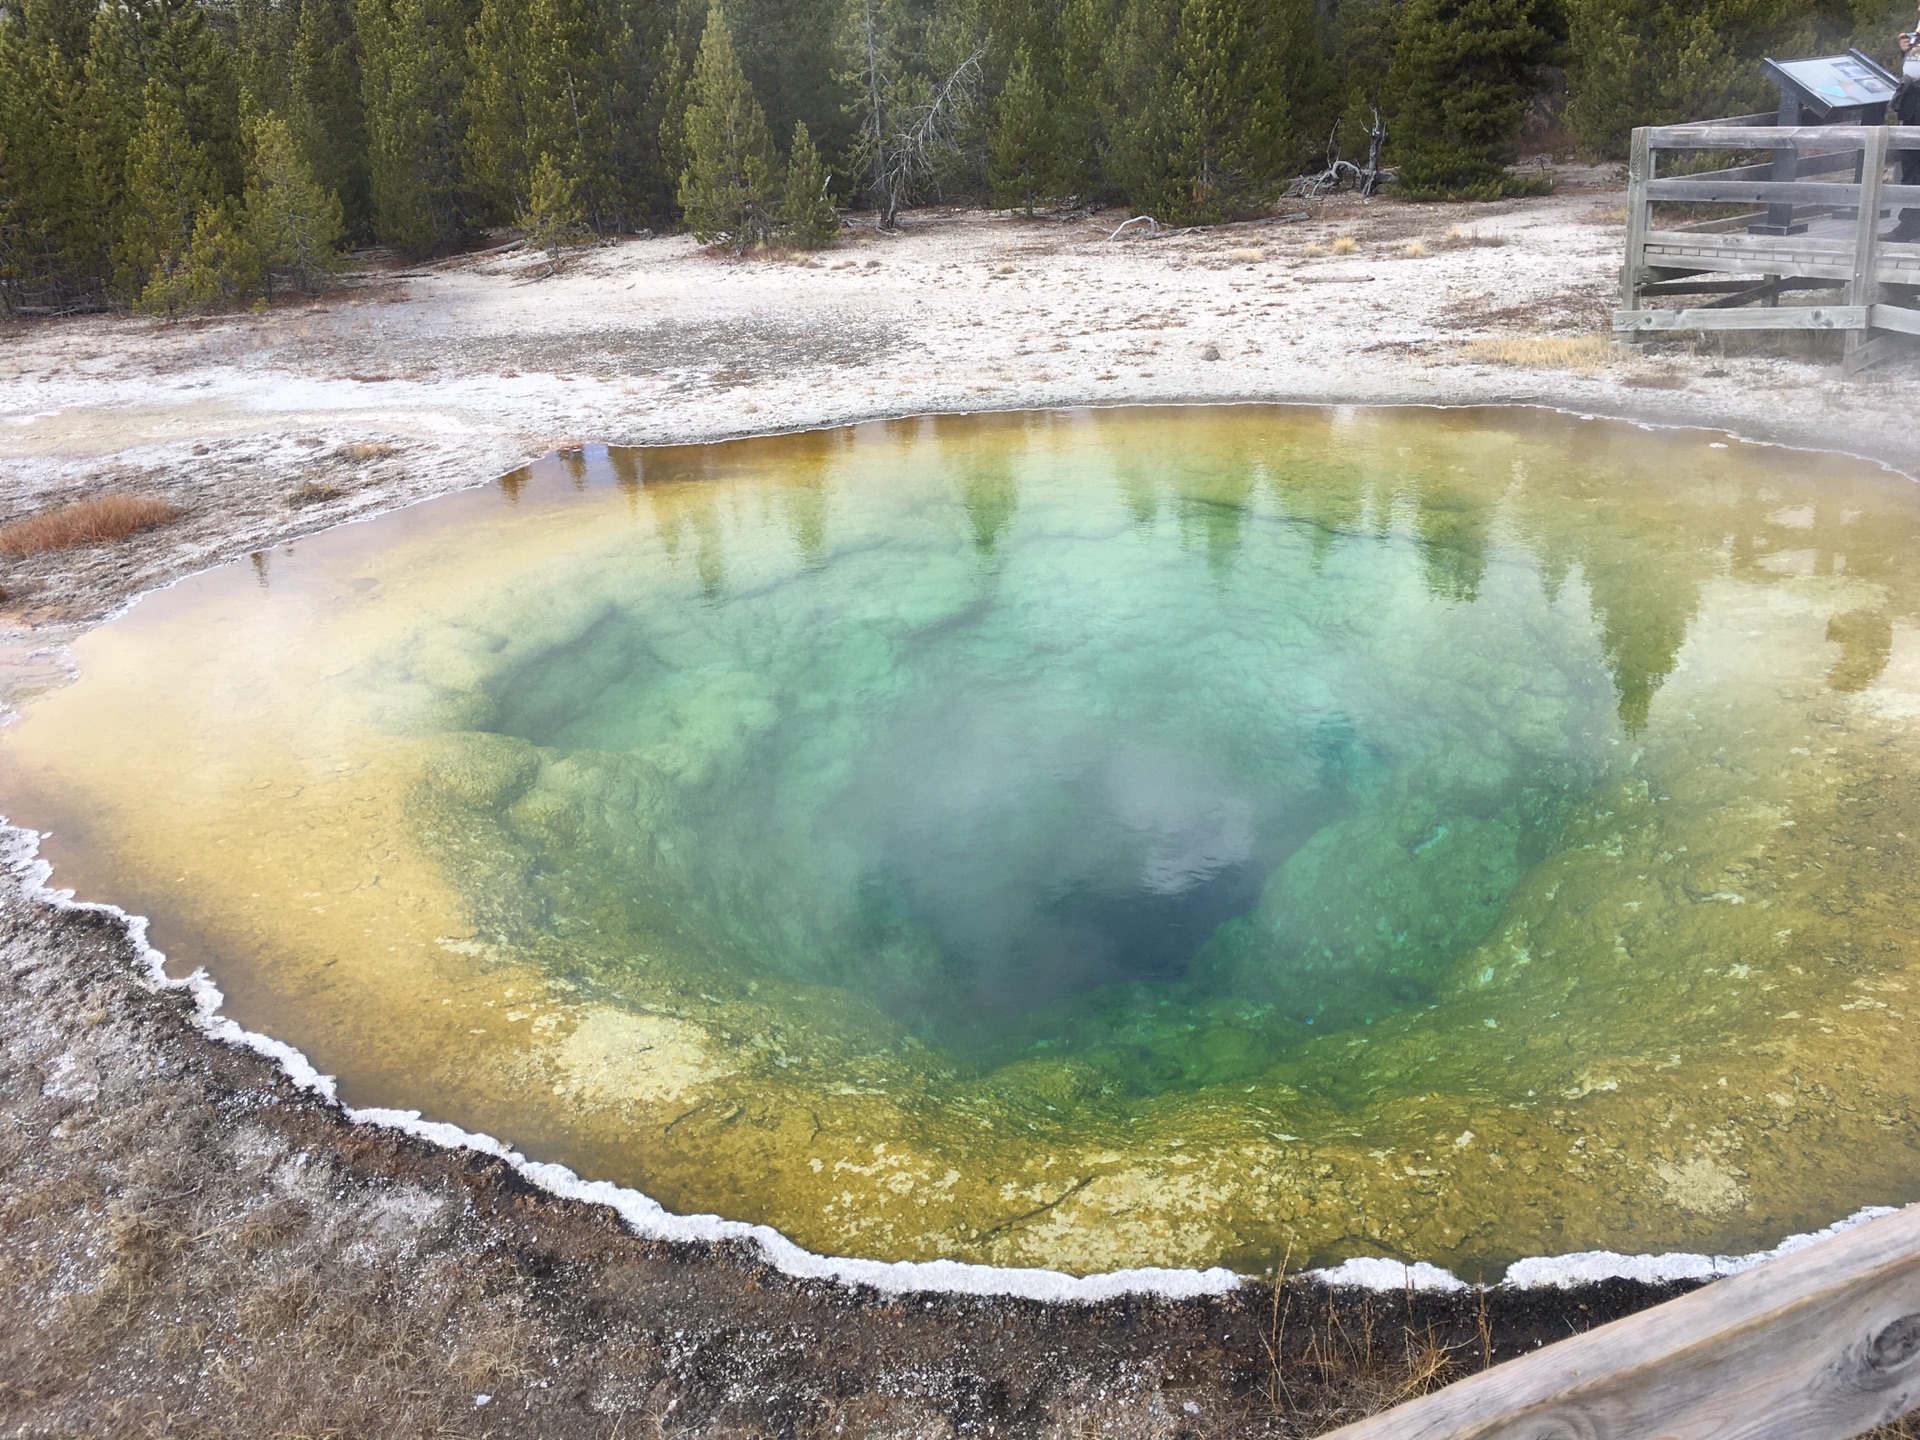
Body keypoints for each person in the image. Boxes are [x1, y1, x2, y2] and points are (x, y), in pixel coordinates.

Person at [1895, 26, 1920, 241]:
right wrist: (1906, 51)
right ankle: (1909, 225)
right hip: (1913, 101)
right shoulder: (1917, 29)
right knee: (1910, 165)